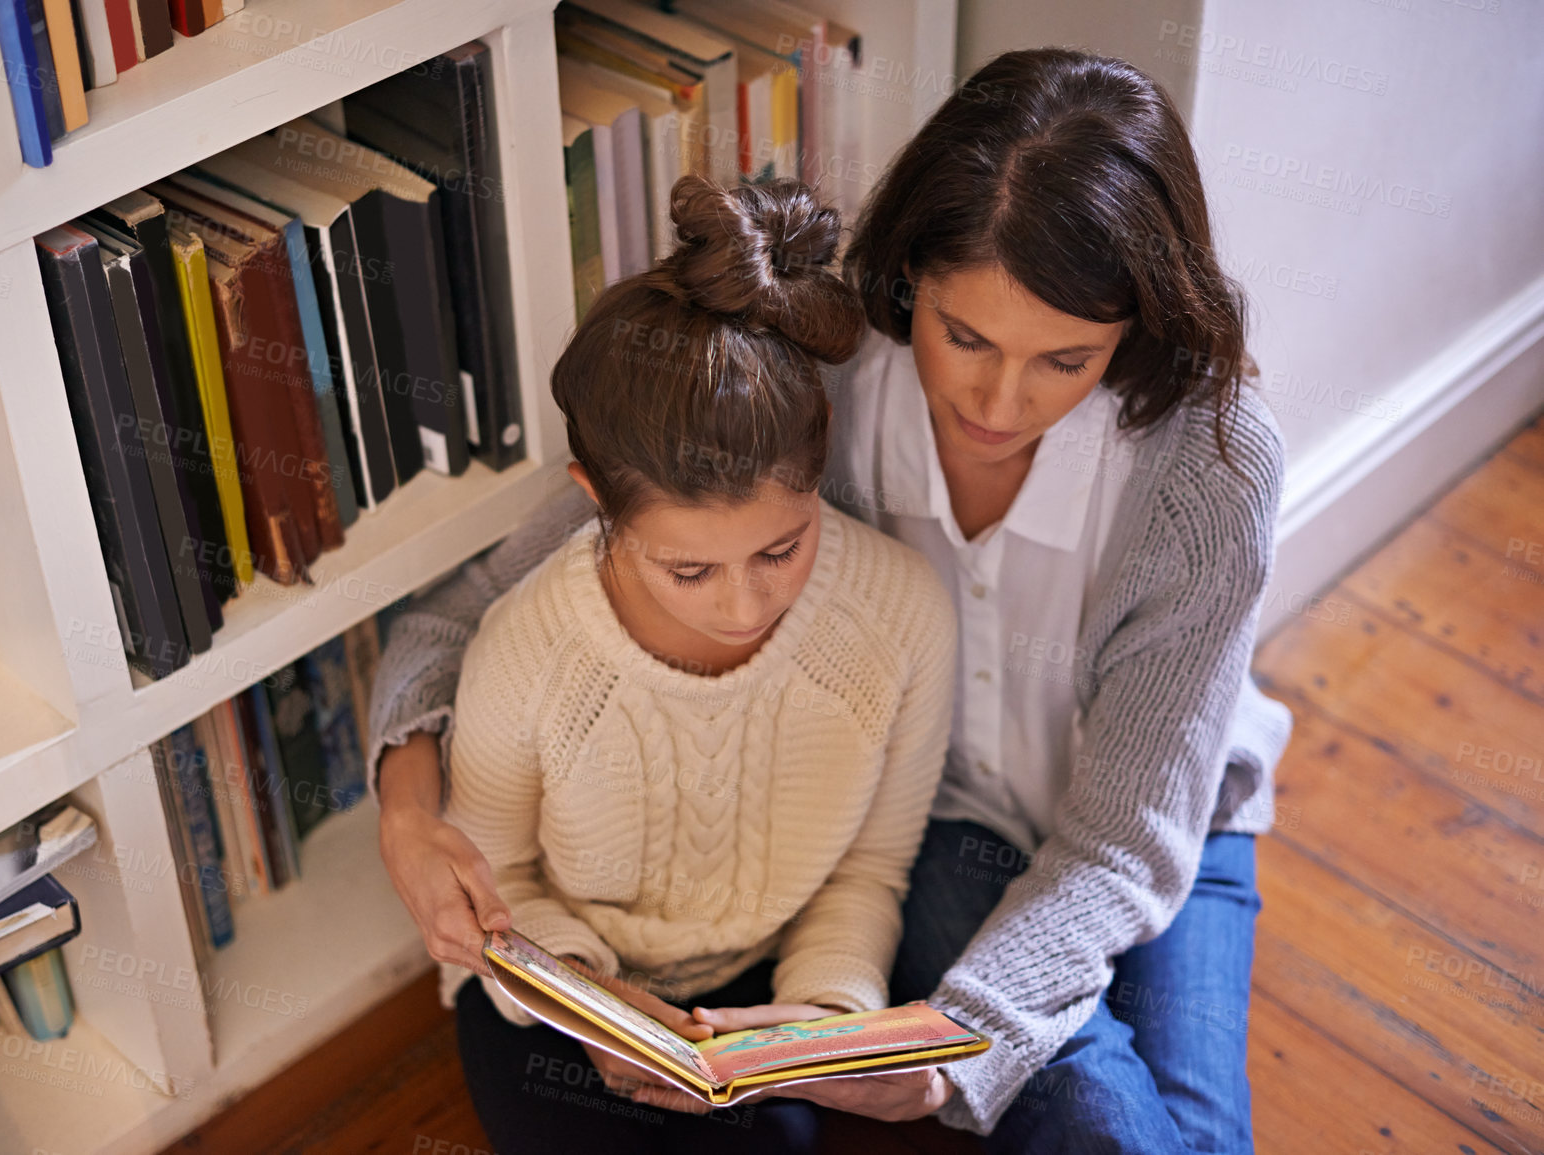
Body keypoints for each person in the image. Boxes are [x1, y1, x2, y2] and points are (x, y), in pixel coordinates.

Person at [371, 47, 1291, 1154]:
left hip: (1160, 834)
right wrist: (410, 814)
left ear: (1134, 325)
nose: (1001, 402)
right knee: (1097, 1119)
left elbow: (1125, 849)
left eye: (1068, 358)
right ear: (910, 280)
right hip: (950, 835)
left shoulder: (1211, 470)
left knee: (1190, 1131)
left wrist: (961, 1047)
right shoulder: (814, 370)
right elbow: (458, 620)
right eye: (966, 337)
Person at [417, 174, 958, 1155]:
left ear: (819, 458)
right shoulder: (528, 652)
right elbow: (496, 884)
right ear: (595, 498)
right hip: (561, 1003)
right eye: (689, 569)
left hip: (763, 993)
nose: (745, 607)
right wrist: (592, 999)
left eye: (780, 551)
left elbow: (870, 872)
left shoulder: (903, 613)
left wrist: (818, 1025)